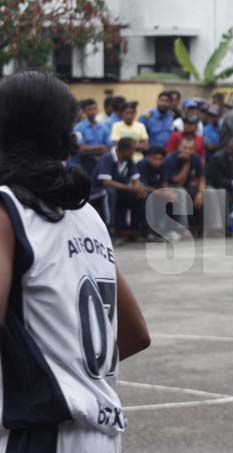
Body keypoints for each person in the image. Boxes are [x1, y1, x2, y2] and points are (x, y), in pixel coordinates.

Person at [0, 71, 149, 450]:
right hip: (100, 433)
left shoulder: (8, 210)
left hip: (39, 432)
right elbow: (134, 334)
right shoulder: (86, 215)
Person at [92, 137, 147, 239]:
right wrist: (131, 188)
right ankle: (109, 228)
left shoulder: (129, 160)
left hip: (118, 192)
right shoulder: (108, 157)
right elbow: (106, 182)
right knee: (110, 192)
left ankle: (135, 229)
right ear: (125, 150)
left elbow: (136, 179)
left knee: (141, 194)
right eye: (133, 149)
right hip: (97, 192)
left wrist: (138, 188)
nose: (134, 152)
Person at [164, 137, 206, 232]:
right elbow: (179, 182)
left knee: (209, 191)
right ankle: (183, 229)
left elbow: (202, 179)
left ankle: (207, 228)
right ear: (179, 147)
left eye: (190, 149)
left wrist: (201, 193)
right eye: (185, 148)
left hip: (186, 186)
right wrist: (186, 164)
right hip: (169, 186)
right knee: (182, 192)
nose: (187, 151)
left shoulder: (196, 158)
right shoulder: (171, 158)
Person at [73, 98, 111, 176]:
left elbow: (109, 147)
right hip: (84, 164)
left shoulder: (104, 127)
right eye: (89, 109)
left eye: (94, 108)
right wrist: (100, 148)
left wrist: (90, 149)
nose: (93, 112)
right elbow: (81, 148)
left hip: (101, 163)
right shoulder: (78, 128)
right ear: (84, 111)